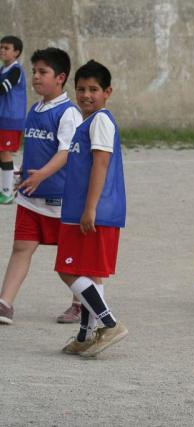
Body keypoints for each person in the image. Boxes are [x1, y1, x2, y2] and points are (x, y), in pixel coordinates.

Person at [0, 47, 83, 325]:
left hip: (60, 200)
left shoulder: (69, 112)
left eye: (42, 72)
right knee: (21, 247)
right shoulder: (35, 109)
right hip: (30, 197)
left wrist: (42, 175)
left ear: (60, 77)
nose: (35, 76)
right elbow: (37, 150)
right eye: (34, 71)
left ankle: (80, 304)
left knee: (72, 256)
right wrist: (25, 173)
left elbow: (65, 152)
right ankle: (4, 304)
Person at [55, 60, 128, 357]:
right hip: (81, 209)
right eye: (81, 89)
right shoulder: (87, 123)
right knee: (86, 271)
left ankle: (109, 323)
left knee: (67, 270)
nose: (86, 95)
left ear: (107, 92)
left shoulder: (100, 121)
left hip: (91, 211)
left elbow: (101, 163)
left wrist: (90, 208)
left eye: (94, 89)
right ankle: (86, 334)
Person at [0, 35, 26, 204]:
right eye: (1, 47)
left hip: (10, 119)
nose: (2, 50)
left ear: (16, 52)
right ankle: (16, 174)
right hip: (2, 117)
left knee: (5, 152)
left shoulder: (16, 70)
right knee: (3, 153)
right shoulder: (2, 69)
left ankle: (7, 193)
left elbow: (3, 88)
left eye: (6, 48)